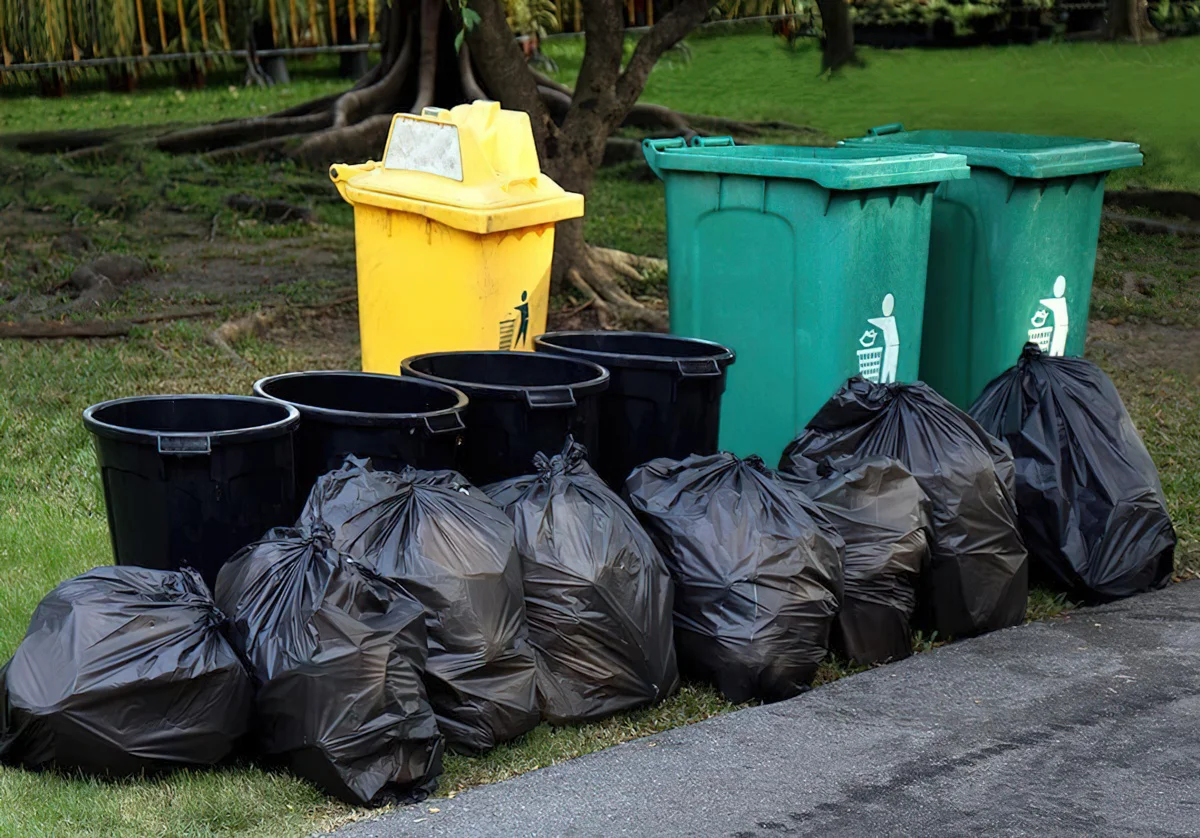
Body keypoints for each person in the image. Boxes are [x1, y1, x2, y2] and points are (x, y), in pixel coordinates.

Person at [867, 293, 900, 384]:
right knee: (886, 366)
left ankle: (889, 386)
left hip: (893, 346)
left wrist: (870, 321)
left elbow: (879, 323)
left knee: (891, 367)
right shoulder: (888, 320)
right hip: (889, 345)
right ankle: (884, 385)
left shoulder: (890, 320)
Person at [1040, 275, 1070, 356]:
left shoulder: (1059, 302)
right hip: (1061, 329)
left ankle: (1054, 364)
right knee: (1057, 351)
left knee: (1056, 350)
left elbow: (1048, 303)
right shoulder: (1061, 302)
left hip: (1061, 329)